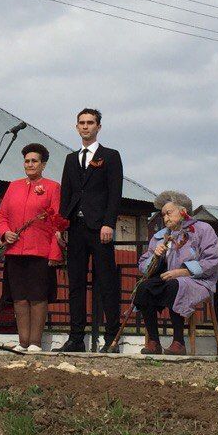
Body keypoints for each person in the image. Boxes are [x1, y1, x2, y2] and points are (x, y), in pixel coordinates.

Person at [57, 108, 124, 353]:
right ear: (76, 127)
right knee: (75, 284)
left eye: (90, 123)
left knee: (106, 283)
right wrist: (61, 225)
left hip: (100, 228)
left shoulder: (111, 156)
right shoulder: (71, 159)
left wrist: (109, 223)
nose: (86, 127)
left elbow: (115, 193)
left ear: (98, 127)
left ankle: (111, 339)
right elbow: (66, 193)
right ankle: (76, 338)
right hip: (76, 228)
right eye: (82, 123)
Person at [0, 143, 66, 352]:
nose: (30, 164)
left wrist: (55, 252)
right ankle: (22, 341)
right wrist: (4, 232)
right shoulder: (13, 186)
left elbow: (57, 223)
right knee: (19, 297)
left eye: (34, 161)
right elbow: (1, 215)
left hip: (40, 252)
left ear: (43, 164)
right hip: (15, 250)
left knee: (37, 297)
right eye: (27, 161)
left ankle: (35, 342)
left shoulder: (52, 187)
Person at [135, 190, 218, 355]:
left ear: (183, 211)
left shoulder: (202, 229)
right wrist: (155, 255)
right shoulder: (160, 236)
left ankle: (178, 342)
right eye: (163, 215)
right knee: (144, 287)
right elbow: (143, 265)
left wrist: (182, 272)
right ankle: (153, 341)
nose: (165, 218)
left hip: (199, 281)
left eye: (169, 213)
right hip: (168, 279)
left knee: (175, 285)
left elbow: (211, 260)